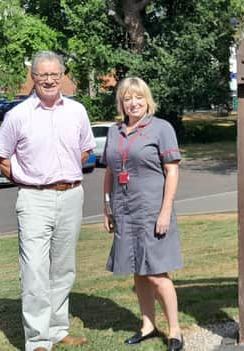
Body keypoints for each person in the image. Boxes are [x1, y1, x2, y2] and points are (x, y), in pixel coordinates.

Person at [0, 51, 95, 351]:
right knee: (35, 269)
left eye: (55, 74)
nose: (49, 80)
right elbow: (2, 157)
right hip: (34, 199)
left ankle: (57, 329)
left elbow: (87, 150)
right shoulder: (18, 116)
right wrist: (30, 178)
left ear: (63, 76)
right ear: (33, 78)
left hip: (71, 196)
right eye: (43, 75)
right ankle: (38, 339)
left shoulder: (77, 111)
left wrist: (62, 168)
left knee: (63, 269)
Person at [102, 77, 184, 351]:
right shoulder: (115, 131)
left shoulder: (161, 128)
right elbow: (111, 172)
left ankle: (175, 330)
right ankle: (147, 324)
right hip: (124, 211)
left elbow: (172, 171)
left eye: (138, 97)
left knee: (157, 272)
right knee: (137, 269)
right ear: (121, 103)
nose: (133, 103)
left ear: (147, 99)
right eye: (127, 98)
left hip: (151, 210)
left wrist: (165, 211)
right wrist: (107, 205)